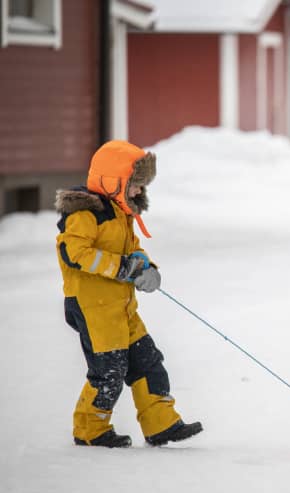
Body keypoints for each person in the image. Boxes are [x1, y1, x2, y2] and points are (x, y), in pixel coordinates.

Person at [55, 140, 202, 447]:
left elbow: (131, 249)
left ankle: (161, 423)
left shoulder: (120, 213)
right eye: (134, 185)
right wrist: (123, 268)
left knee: (147, 362)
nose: (138, 192)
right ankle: (90, 429)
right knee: (108, 372)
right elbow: (75, 252)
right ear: (113, 180)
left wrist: (146, 266)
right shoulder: (85, 213)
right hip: (93, 308)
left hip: (121, 307)